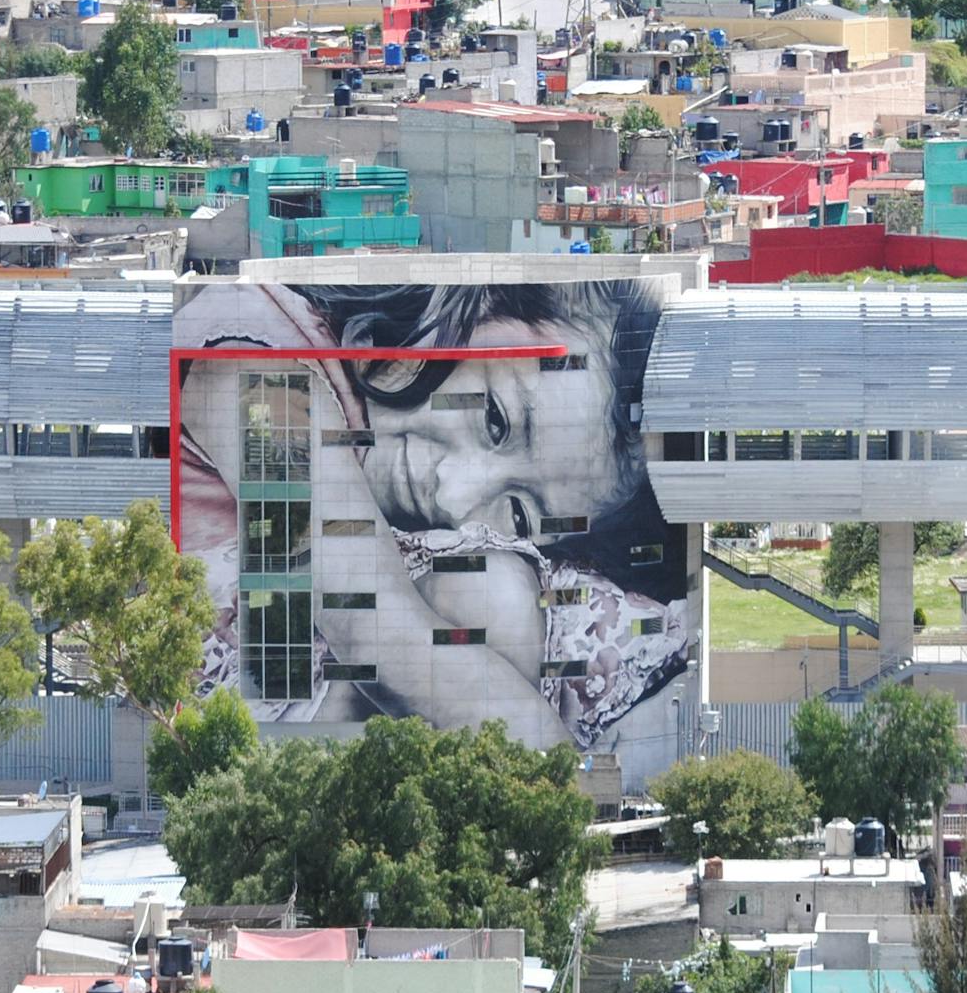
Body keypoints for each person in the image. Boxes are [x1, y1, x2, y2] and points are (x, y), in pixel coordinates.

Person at [174, 277, 690, 748]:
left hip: (314, 724)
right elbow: (368, 626)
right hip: (211, 741)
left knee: (491, 596)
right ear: (479, 300)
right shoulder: (254, 364)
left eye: (518, 515)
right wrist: (569, 796)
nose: (453, 496)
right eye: (495, 420)